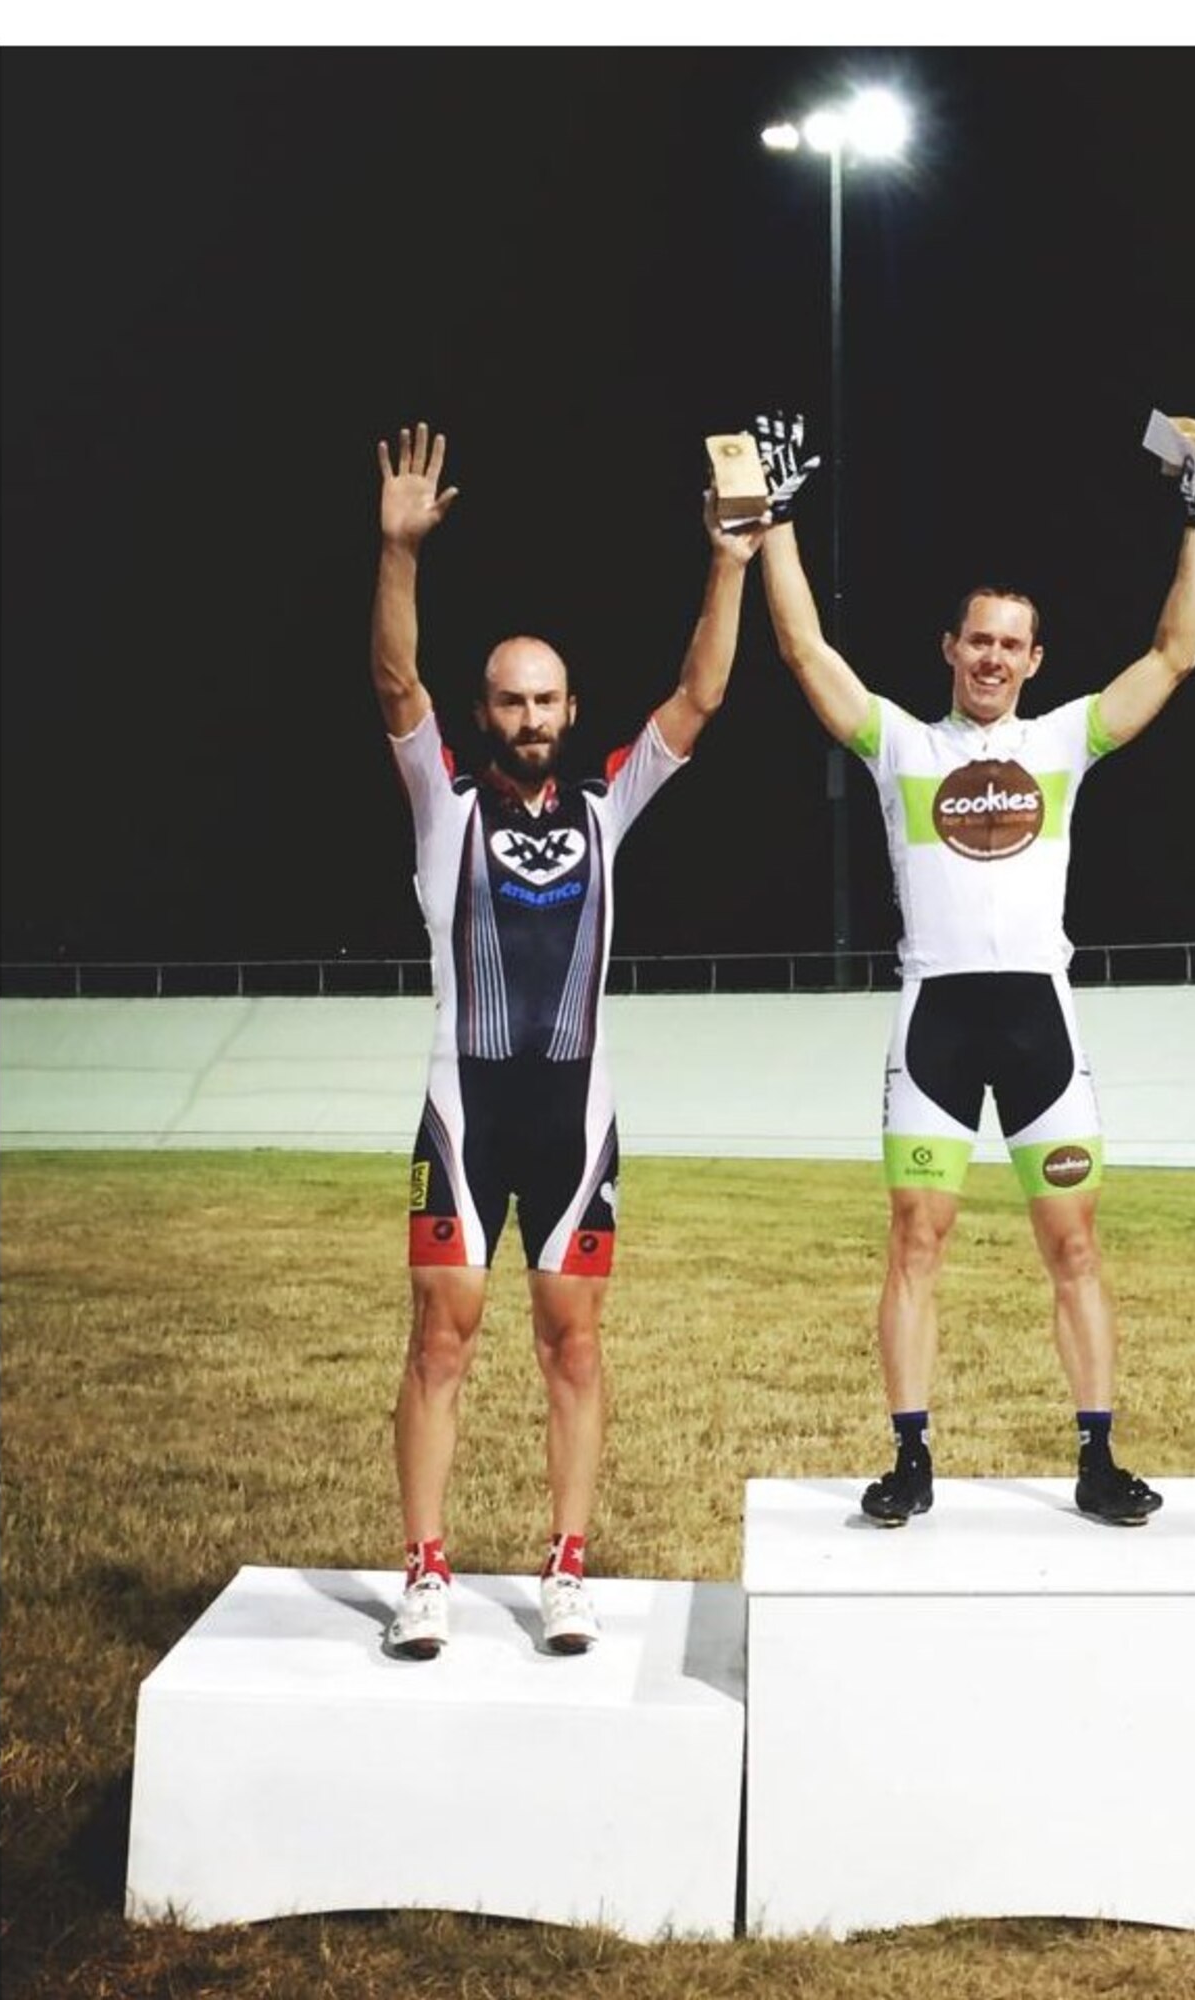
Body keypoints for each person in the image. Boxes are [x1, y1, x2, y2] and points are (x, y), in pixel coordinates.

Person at [755, 416, 1195, 1527]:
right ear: (949, 647)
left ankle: (1097, 1457)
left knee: (1073, 1244)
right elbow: (803, 654)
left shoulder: (1061, 740)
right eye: (977, 641)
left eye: (1011, 644)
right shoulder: (900, 749)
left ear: (1034, 659)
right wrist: (772, 521)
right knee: (917, 1240)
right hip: (934, 1025)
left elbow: (1174, 656)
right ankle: (910, 1457)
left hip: (1038, 1026)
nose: (992, 658)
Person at [371, 421, 759, 1658]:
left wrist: (731, 558)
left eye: (546, 699)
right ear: (482, 710)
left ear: (570, 707)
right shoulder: (442, 796)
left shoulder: (610, 798)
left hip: (576, 1118)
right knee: (443, 1336)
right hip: (464, 1112)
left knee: (571, 1340)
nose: (529, 716)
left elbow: (701, 693)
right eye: (509, 699)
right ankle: (425, 1570)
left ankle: (565, 1566)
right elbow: (393, 684)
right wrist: (398, 555)